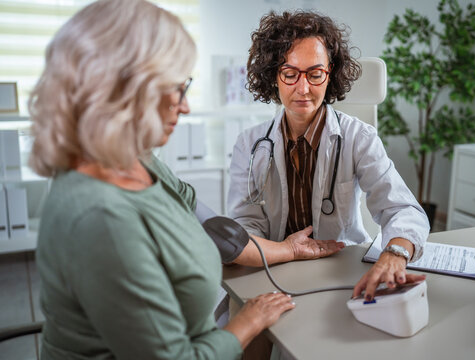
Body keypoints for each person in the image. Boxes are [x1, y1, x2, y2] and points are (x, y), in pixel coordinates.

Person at [30, 1, 294, 359]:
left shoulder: (136, 158)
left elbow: (200, 216)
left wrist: (290, 250)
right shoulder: (101, 219)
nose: (184, 106)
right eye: (177, 87)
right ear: (127, 88)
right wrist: (249, 320)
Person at [227, 10, 430, 303]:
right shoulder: (249, 144)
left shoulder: (360, 138)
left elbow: (403, 209)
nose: (303, 88)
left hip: (341, 272)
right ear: (274, 76)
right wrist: (281, 250)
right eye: (289, 73)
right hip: (273, 267)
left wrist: (395, 254)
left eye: (315, 73)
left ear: (330, 73)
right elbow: (244, 226)